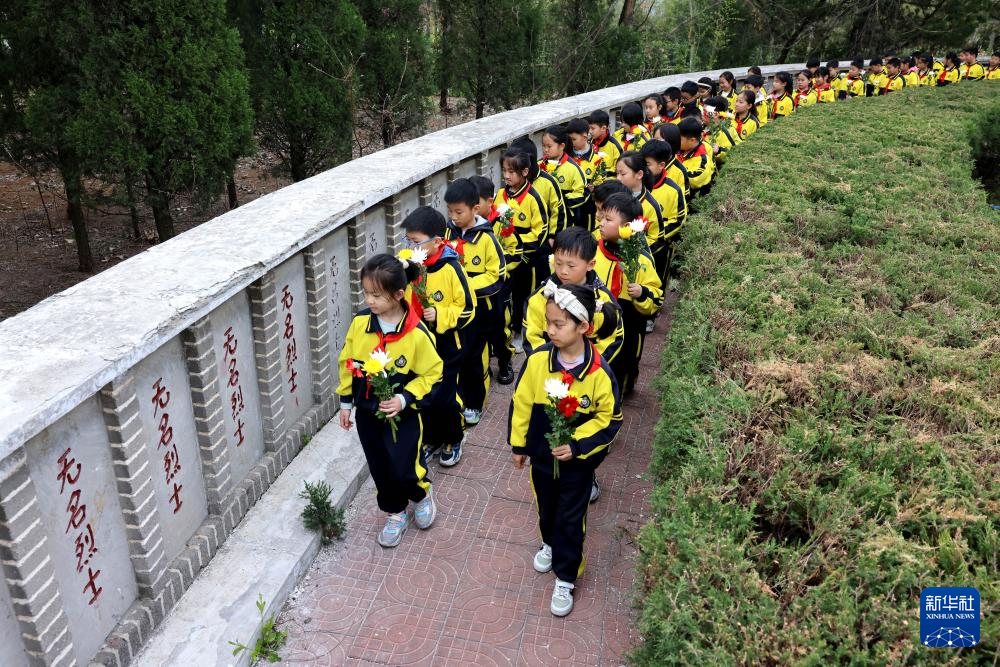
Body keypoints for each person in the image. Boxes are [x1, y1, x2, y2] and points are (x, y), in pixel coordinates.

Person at [509, 283, 623, 617]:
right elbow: (521, 403)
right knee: (546, 509)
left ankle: (566, 576)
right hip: (542, 460)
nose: (550, 330)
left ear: (583, 326)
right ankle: (549, 542)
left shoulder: (599, 373)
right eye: (548, 322)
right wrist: (519, 444)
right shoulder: (538, 361)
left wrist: (577, 445)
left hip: (577, 466)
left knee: (571, 520)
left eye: (559, 324)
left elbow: (609, 419)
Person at [337, 254, 443, 547]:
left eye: (376, 295)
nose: (369, 300)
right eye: (366, 293)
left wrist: (404, 398)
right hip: (368, 412)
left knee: (405, 465)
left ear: (398, 294)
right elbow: (347, 362)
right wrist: (346, 403)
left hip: (403, 415)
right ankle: (395, 512)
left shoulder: (416, 334)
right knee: (380, 465)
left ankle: (421, 495)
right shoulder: (360, 324)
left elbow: (433, 374)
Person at [402, 207, 475, 466]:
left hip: (447, 345)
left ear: (436, 241)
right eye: (408, 242)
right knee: (425, 395)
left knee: (445, 397)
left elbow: (467, 308)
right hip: (420, 344)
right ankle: (432, 438)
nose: (411, 248)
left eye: (416, 242)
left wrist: (441, 314)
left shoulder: (451, 267)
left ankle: (454, 438)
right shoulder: (412, 267)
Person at [443, 180, 506, 428]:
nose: (453, 217)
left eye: (459, 212)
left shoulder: (487, 238)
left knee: (475, 359)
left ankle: (474, 402)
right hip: (455, 311)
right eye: (450, 211)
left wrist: (466, 286)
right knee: (456, 356)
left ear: (475, 209)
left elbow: (497, 275)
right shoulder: (448, 234)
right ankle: (458, 397)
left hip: (480, 313)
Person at [594, 193, 663, 396]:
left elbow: (657, 297)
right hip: (597, 322)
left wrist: (642, 293)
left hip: (629, 324)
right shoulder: (593, 251)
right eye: (602, 217)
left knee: (623, 366)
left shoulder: (641, 260)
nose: (601, 222)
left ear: (627, 226)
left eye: (608, 219)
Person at [496, 150, 548, 376]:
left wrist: (517, 240)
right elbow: (494, 220)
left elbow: (540, 231)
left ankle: (519, 332)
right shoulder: (501, 195)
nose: (506, 176)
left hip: (526, 258)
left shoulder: (533, 198)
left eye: (511, 172)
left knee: (522, 295)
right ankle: (504, 334)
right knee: (504, 295)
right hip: (505, 257)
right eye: (504, 171)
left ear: (525, 172)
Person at [470, 175, 516, 386]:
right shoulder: (464, 228)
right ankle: (483, 363)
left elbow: (515, 252)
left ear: (490, 201)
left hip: (499, 290)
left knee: (500, 330)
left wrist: (500, 266)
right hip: (476, 292)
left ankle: (505, 361)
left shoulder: (502, 221)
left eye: (476, 203)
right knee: (479, 332)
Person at [636, 143, 685, 296]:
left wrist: (659, 234)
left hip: (660, 247)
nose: (644, 168)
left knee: (657, 279)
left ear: (661, 165)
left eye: (648, 164)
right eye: (642, 163)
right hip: (634, 244)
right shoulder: (636, 186)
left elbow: (678, 220)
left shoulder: (673, 190)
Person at [541, 125, 589, 230]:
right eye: (543, 146)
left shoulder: (573, 168)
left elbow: (582, 193)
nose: (545, 150)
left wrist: (561, 200)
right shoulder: (539, 165)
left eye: (549, 146)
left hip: (566, 222)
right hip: (543, 221)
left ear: (562, 146)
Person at [566, 118, 601, 230]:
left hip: (588, 207)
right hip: (570, 205)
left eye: (573, 139)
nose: (571, 143)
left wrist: (594, 187)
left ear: (585, 137)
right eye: (569, 139)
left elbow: (601, 180)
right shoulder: (566, 156)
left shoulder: (597, 159)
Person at [677, 117, 715, 196]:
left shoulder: (702, 159)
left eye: (679, 139)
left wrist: (674, 173)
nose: (676, 141)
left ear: (692, 140)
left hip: (694, 198)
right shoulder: (679, 150)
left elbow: (695, 179)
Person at [587, 110, 624, 174]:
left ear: (603, 128)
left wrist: (603, 173)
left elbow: (619, 168)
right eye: (589, 128)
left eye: (592, 128)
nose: (590, 131)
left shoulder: (614, 145)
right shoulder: (589, 144)